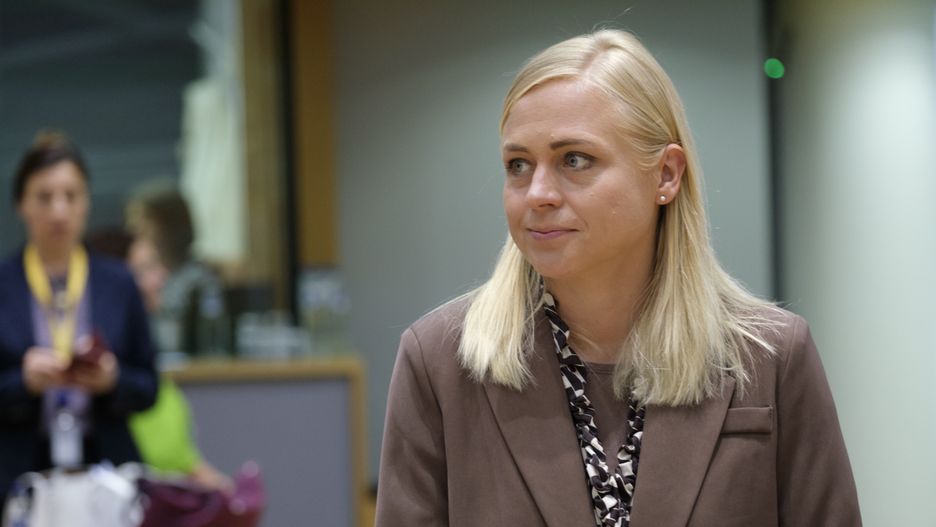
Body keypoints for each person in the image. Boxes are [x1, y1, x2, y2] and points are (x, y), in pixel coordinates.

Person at [376, 30, 861, 526]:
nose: (537, 193)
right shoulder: (439, 363)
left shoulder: (770, 356)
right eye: (518, 165)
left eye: (574, 160)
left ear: (666, 174)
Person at [0, 131, 158, 505]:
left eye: (71, 196)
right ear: (22, 205)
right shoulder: (4, 284)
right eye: (44, 197)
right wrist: (22, 382)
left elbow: (149, 385)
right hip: (17, 470)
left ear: (86, 202)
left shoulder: (118, 282)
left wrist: (112, 380)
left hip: (105, 465)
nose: (59, 211)